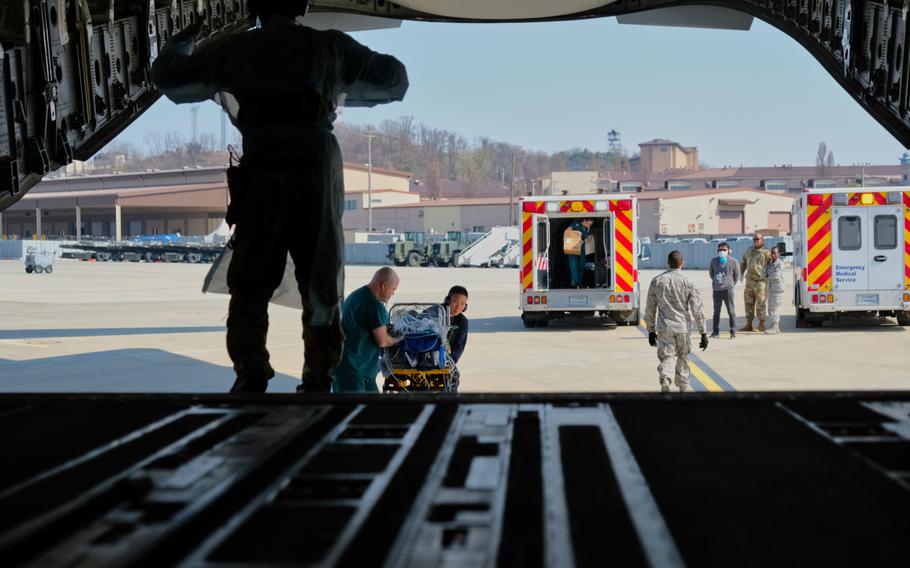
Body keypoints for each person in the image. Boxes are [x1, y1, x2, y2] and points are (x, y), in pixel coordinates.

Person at [151, 0, 408, 393]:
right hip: (315, 164)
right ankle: (318, 380)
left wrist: (187, 38)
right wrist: (340, 80)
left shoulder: (236, 49)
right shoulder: (329, 47)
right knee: (321, 281)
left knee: (250, 282)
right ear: (302, 3)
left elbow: (169, 78)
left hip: (263, 164)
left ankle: (251, 372)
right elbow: (395, 79)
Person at [644, 251, 708, 393]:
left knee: (667, 356)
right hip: (683, 328)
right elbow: (697, 309)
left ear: (668, 263)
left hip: (665, 328)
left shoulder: (657, 281)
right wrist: (703, 332)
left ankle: (666, 378)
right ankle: (683, 386)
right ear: (682, 263)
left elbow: (650, 307)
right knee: (683, 357)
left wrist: (650, 330)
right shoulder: (688, 282)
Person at [334, 268, 402, 393]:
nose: (393, 293)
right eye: (393, 289)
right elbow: (383, 341)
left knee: (373, 408)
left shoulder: (357, 295)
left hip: (355, 368)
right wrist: (398, 339)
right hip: (353, 370)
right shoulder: (374, 306)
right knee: (354, 410)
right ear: (384, 285)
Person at [739, 233, 771, 333]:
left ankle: (761, 325)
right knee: (748, 303)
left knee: (760, 304)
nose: (755, 241)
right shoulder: (749, 251)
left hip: (760, 282)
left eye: (757, 239)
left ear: (762, 240)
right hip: (749, 282)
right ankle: (749, 325)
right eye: (754, 239)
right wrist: (741, 272)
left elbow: (771, 265)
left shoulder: (766, 252)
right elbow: (743, 262)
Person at [708, 242, 741, 339]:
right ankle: (715, 332)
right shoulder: (714, 261)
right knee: (716, 311)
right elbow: (711, 273)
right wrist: (717, 283)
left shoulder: (733, 261)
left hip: (728, 290)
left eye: (724, 250)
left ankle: (733, 331)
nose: (722, 251)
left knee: (731, 311)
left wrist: (731, 285)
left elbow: (737, 276)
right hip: (717, 291)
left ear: (728, 251)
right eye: (720, 250)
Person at [444, 286, 469, 390]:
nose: (458, 307)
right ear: (447, 300)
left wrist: (450, 363)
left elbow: (459, 347)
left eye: (462, 304)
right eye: (456, 302)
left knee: (453, 379)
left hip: (446, 361)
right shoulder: (434, 312)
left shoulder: (462, 322)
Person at [565, 218, 593, 288]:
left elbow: (589, 239)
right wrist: (576, 235)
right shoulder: (576, 225)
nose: (588, 225)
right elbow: (567, 231)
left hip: (582, 249)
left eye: (590, 224)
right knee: (573, 265)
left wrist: (587, 236)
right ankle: (574, 282)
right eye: (588, 223)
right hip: (572, 248)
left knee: (581, 265)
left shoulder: (588, 228)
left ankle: (579, 282)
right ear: (584, 220)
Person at [764, 246, 785, 335]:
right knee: (770, 308)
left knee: (774, 308)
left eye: (775, 253)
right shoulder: (769, 264)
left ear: (778, 254)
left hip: (777, 289)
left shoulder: (780, 264)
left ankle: (775, 327)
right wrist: (764, 265)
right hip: (771, 289)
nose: (773, 255)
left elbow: (776, 275)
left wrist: (767, 278)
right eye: (772, 253)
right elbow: (764, 274)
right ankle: (774, 327)